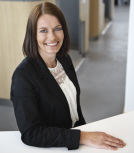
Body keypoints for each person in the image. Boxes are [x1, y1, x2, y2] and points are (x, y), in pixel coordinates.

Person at [10, 2, 126, 151]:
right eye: (43, 30)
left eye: (57, 29)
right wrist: (82, 137)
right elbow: (31, 133)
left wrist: (86, 132)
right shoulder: (23, 76)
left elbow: (75, 110)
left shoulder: (64, 59)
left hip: (78, 140)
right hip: (55, 146)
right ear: (33, 34)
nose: (52, 36)